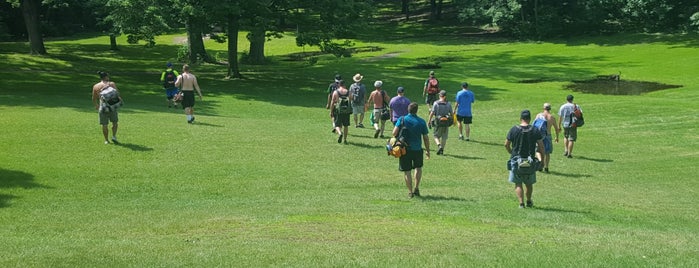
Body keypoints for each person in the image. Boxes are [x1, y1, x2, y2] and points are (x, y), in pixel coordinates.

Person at [505, 110, 545, 208]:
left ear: (521, 118)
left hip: (516, 160)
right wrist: (542, 160)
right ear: (530, 119)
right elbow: (541, 146)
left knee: (518, 183)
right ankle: (529, 201)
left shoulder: (514, 129)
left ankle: (521, 203)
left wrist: (511, 152)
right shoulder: (535, 130)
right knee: (529, 183)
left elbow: (506, 144)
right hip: (530, 160)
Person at [392, 102, 430, 198]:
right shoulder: (421, 121)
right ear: (416, 111)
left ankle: (410, 192)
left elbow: (394, 132)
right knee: (418, 168)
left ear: (408, 110)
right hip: (417, 149)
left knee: (407, 171)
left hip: (404, 149)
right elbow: (425, 137)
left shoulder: (402, 119)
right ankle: (416, 188)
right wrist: (428, 150)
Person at [92, 71, 122, 144]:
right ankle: (114, 136)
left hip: (103, 106)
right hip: (112, 106)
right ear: (106, 77)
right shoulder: (111, 84)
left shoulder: (96, 86)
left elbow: (94, 98)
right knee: (115, 122)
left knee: (104, 124)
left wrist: (96, 105)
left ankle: (106, 140)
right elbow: (117, 93)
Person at [534, 103, 561, 173]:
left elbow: (534, 125)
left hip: (539, 136)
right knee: (547, 152)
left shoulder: (539, 115)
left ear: (543, 108)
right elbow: (556, 129)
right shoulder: (552, 118)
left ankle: (540, 162)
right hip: (548, 136)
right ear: (550, 109)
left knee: (537, 151)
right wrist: (557, 137)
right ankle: (546, 167)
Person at [428, 90, 453, 155]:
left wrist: (429, 121)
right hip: (446, 122)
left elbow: (432, 113)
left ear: (440, 95)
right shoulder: (448, 103)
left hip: (438, 122)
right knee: (444, 137)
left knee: (435, 136)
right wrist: (452, 120)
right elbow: (451, 113)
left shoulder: (436, 103)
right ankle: (442, 150)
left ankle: (439, 146)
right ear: (445, 96)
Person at [330, 80, 352, 144]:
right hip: (346, 111)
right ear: (344, 85)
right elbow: (351, 100)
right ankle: (345, 140)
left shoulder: (336, 92)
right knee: (346, 125)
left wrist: (331, 111)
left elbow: (332, 102)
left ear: (339, 85)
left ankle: (340, 133)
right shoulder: (348, 92)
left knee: (337, 125)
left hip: (338, 111)